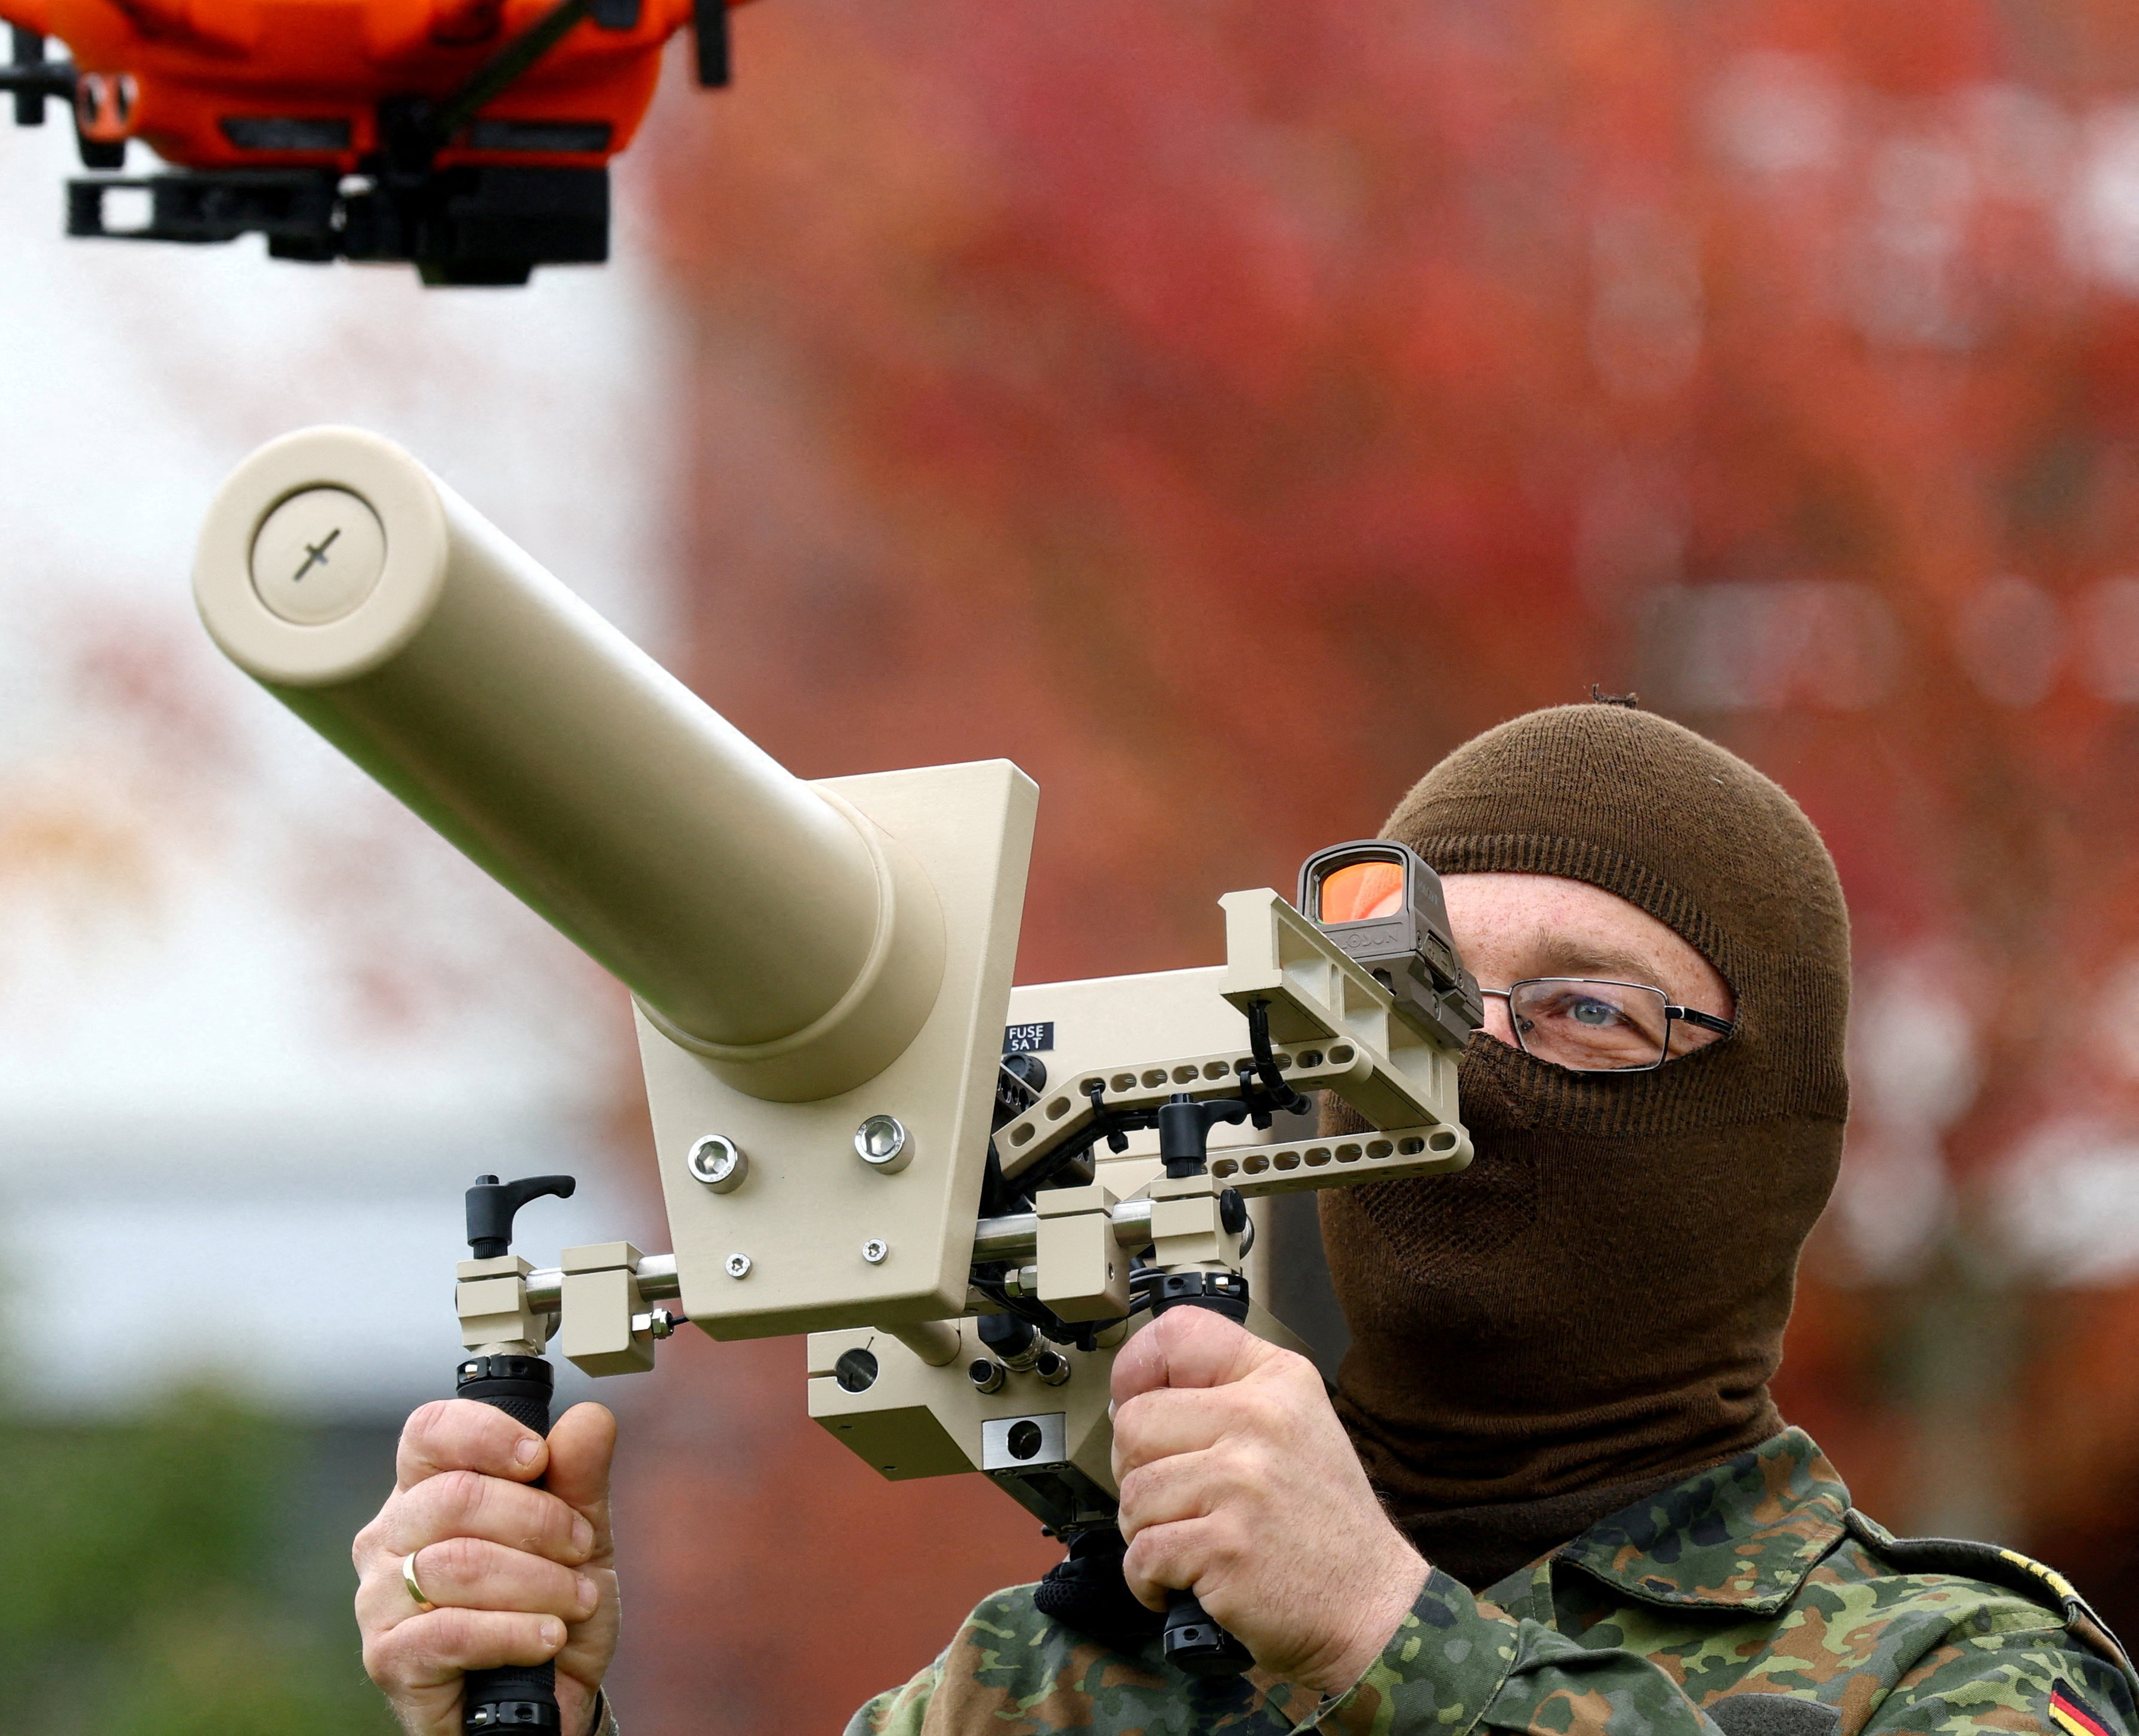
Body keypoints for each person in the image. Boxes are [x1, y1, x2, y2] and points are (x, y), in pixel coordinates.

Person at [348, 703, 2137, 1736]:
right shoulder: (1044, 1686)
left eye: (1584, 1010)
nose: (1475, 1069)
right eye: (1418, 1001)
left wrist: (1382, 1640)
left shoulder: (1952, 1674)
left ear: (1756, 1137)